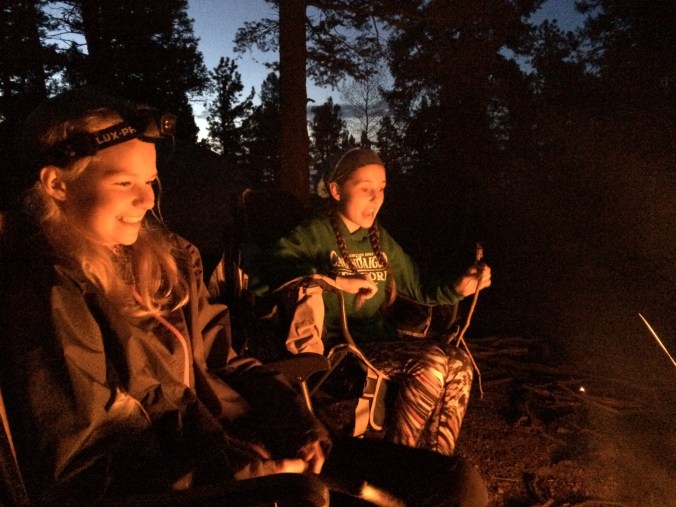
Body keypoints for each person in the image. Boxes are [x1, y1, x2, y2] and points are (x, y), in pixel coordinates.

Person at [0, 89, 488, 506]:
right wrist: (249, 473)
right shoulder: (49, 295)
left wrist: (299, 426)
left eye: (149, 182)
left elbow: (229, 363)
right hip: (198, 483)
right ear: (57, 184)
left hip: (253, 445)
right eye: (123, 183)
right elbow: (87, 469)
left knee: (455, 483)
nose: (148, 200)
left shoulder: (167, 263)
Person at [247, 147, 492, 457]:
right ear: (336, 191)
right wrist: (335, 281)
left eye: (382, 189)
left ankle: (435, 464)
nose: (377, 199)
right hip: (338, 354)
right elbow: (263, 272)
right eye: (366, 189)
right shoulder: (314, 233)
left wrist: (457, 288)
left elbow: (419, 285)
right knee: (430, 361)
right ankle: (396, 463)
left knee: (459, 363)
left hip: (378, 344)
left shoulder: (378, 238)